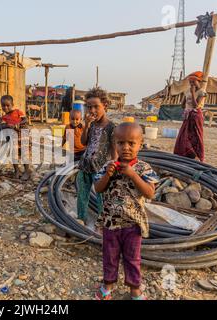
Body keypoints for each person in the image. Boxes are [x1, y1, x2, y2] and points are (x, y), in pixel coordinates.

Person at [94, 123, 159, 301]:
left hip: (133, 224)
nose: (126, 148)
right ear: (115, 143)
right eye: (121, 143)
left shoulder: (143, 168)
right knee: (110, 256)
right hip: (110, 223)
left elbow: (150, 193)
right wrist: (108, 175)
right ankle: (107, 285)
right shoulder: (108, 166)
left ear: (140, 143)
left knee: (132, 259)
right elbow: (98, 189)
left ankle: (135, 289)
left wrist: (133, 175)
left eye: (131, 143)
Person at [77, 88, 117, 228]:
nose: (92, 110)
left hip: (101, 168)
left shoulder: (111, 127)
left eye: (96, 106)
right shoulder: (91, 124)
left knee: (102, 197)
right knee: (82, 194)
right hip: (85, 164)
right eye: (89, 107)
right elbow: (83, 142)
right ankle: (80, 218)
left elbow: (114, 149)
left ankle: (102, 222)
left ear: (105, 105)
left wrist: (114, 168)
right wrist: (86, 125)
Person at [174, 71, 207, 162]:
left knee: (196, 136)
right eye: (190, 82)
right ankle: (187, 155)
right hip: (188, 116)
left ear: (199, 82)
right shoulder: (187, 91)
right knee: (184, 136)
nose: (192, 84)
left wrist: (192, 93)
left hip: (196, 116)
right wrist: (185, 103)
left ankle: (196, 155)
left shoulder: (202, 92)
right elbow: (182, 105)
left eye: (194, 82)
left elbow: (196, 105)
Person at [0, 95, 34, 181]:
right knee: (14, 154)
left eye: (8, 105)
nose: (5, 107)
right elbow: (2, 126)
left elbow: (25, 120)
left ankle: (27, 171)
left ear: (12, 104)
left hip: (23, 136)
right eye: (3, 105)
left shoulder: (18, 112)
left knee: (24, 153)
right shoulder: (4, 117)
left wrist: (18, 124)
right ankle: (17, 171)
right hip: (13, 138)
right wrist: (8, 125)